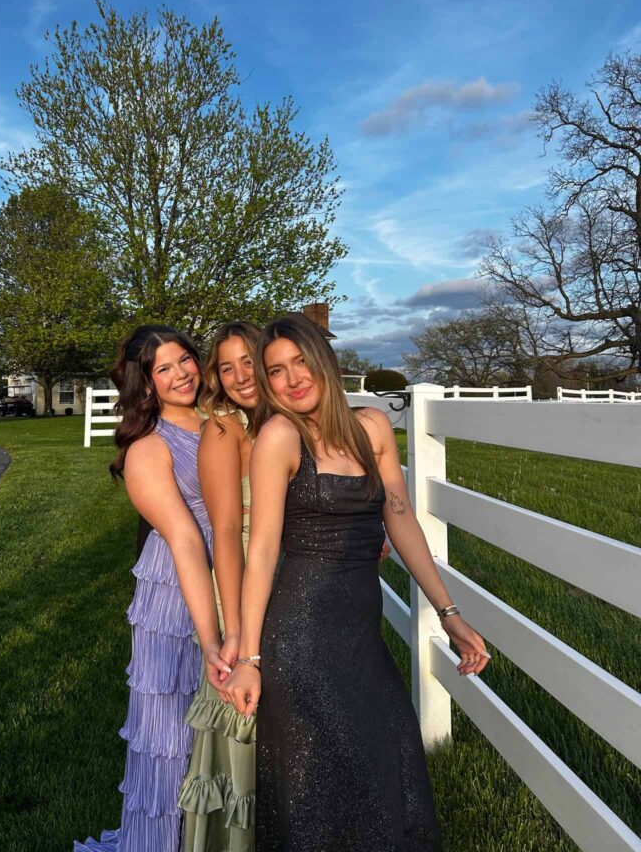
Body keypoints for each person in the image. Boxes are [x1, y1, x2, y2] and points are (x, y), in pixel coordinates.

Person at [227, 315, 490, 852]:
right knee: (320, 790)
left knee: (388, 763)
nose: (292, 379)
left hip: (360, 637)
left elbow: (401, 519)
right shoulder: (280, 437)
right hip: (301, 638)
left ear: (325, 362)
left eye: (301, 362)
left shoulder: (372, 428)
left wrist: (449, 613)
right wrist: (249, 659)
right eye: (276, 371)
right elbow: (263, 551)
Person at [75, 326, 230, 852]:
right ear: (145, 383)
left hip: (234, 576)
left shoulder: (224, 421)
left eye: (185, 359)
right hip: (175, 593)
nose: (182, 373)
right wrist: (210, 637)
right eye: (164, 368)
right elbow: (184, 539)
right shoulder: (149, 448)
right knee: (169, 733)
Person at [178, 322, 262, 852]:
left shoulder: (291, 421)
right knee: (241, 723)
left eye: (249, 361)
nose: (240, 376)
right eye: (226, 367)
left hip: (297, 577)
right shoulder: (223, 432)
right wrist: (233, 629)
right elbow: (225, 532)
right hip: (242, 574)